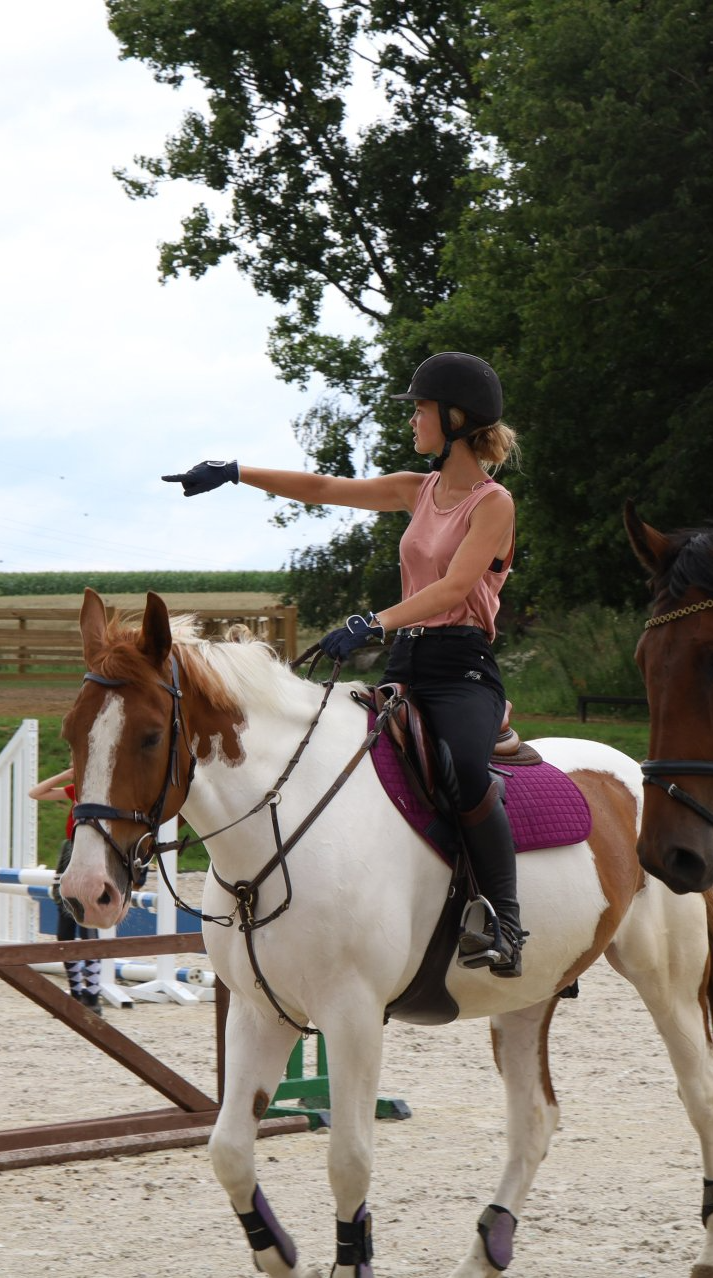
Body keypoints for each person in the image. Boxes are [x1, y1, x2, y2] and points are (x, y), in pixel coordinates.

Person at [162, 351, 527, 975]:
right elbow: (325, 489)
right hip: (406, 663)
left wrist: (372, 623)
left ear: (456, 418)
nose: (412, 420)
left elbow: (453, 588)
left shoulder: (494, 504)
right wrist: (236, 472)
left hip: (462, 669)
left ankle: (506, 925)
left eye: (420, 409)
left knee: (465, 771)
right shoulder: (419, 489)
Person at [29, 767, 103, 1010]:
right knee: (64, 932)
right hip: (70, 853)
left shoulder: (102, 792)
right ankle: (76, 991)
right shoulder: (76, 790)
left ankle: (93, 995)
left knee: (87, 927)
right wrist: (65, 775)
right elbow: (35, 793)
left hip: (90, 854)